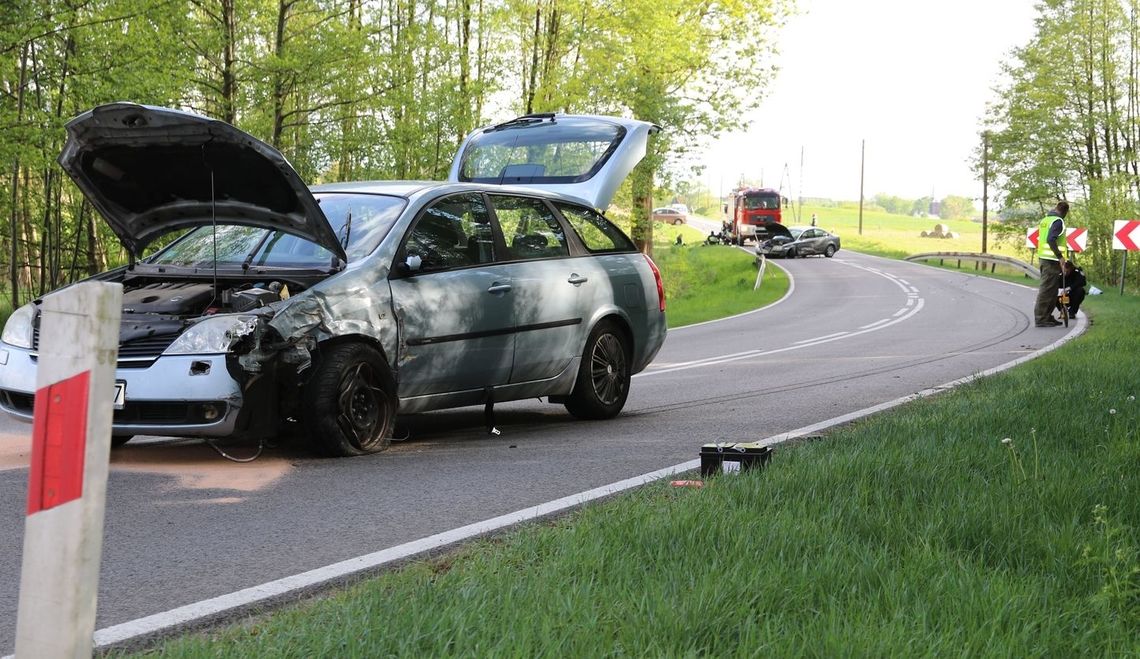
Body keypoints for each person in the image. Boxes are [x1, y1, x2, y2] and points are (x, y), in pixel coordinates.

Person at [1034, 201, 1069, 327]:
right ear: (1065, 212)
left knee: (1052, 290)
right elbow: (1050, 239)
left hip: (1045, 258)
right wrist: (1060, 257)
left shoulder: (1045, 220)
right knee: (1047, 290)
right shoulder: (1058, 221)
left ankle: (1047, 316)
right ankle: (1041, 318)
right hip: (1051, 260)